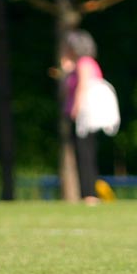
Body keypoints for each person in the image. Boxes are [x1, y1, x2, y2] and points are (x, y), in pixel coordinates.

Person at [60, 29, 105, 205]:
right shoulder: (79, 64)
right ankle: (87, 193)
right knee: (83, 154)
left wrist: (75, 109)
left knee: (85, 154)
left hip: (84, 117)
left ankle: (90, 194)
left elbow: (82, 87)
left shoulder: (84, 63)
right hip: (81, 116)